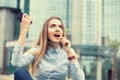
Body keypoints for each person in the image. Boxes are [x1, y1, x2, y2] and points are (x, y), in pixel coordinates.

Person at [11, 13, 85, 80]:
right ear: (45, 32)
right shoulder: (36, 51)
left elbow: (79, 79)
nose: (57, 29)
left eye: (60, 27)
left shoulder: (68, 53)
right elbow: (16, 62)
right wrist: (24, 31)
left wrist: (69, 52)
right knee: (20, 72)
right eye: (53, 26)